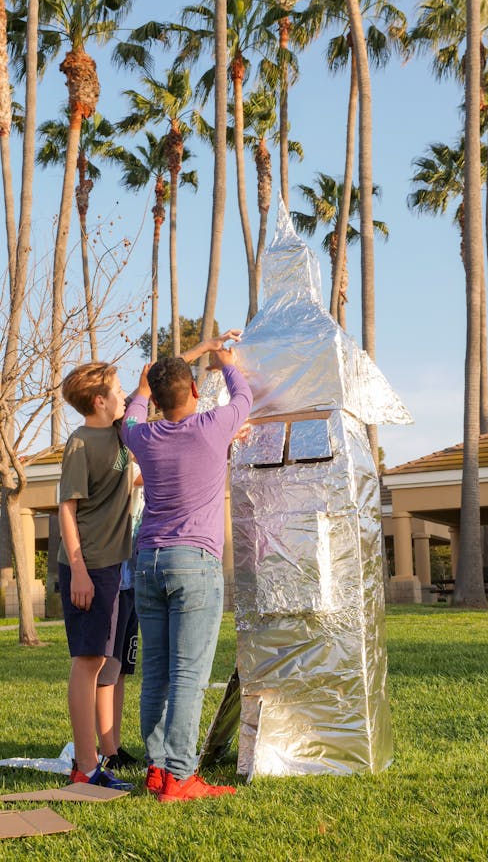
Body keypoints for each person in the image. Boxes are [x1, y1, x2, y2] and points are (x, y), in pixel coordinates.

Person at [121, 331, 252, 802]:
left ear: (155, 398)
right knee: (189, 676)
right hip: (194, 564)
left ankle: (157, 768)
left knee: (155, 671)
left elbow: (131, 414)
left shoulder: (142, 435)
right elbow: (245, 395)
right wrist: (226, 359)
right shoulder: (212, 426)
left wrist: (142, 389)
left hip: (148, 563)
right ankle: (179, 776)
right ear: (195, 391)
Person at [58, 362, 135, 790]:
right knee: (87, 661)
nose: (124, 395)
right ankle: (85, 767)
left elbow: (152, 383)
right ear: (99, 401)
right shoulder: (80, 443)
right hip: (88, 566)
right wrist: (79, 572)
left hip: (115, 565)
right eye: (117, 390)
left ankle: (97, 760)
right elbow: (67, 509)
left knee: (105, 661)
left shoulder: (120, 434)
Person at [96, 465, 144, 770]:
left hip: (131, 583)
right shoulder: (118, 459)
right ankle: (106, 749)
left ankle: (115, 743)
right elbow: (135, 475)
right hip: (111, 581)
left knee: (123, 669)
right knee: (107, 669)